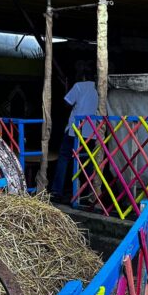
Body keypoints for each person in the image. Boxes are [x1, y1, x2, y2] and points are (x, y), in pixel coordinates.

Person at [51, 61, 98, 201]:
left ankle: (57, 191)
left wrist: (67, 88)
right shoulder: (99, 88)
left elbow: (66, 103)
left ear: (82, 75)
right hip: (92, 132)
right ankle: (88, 192)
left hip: (75, 130)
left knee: (64, 158)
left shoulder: (78, 86)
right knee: (88, 161)